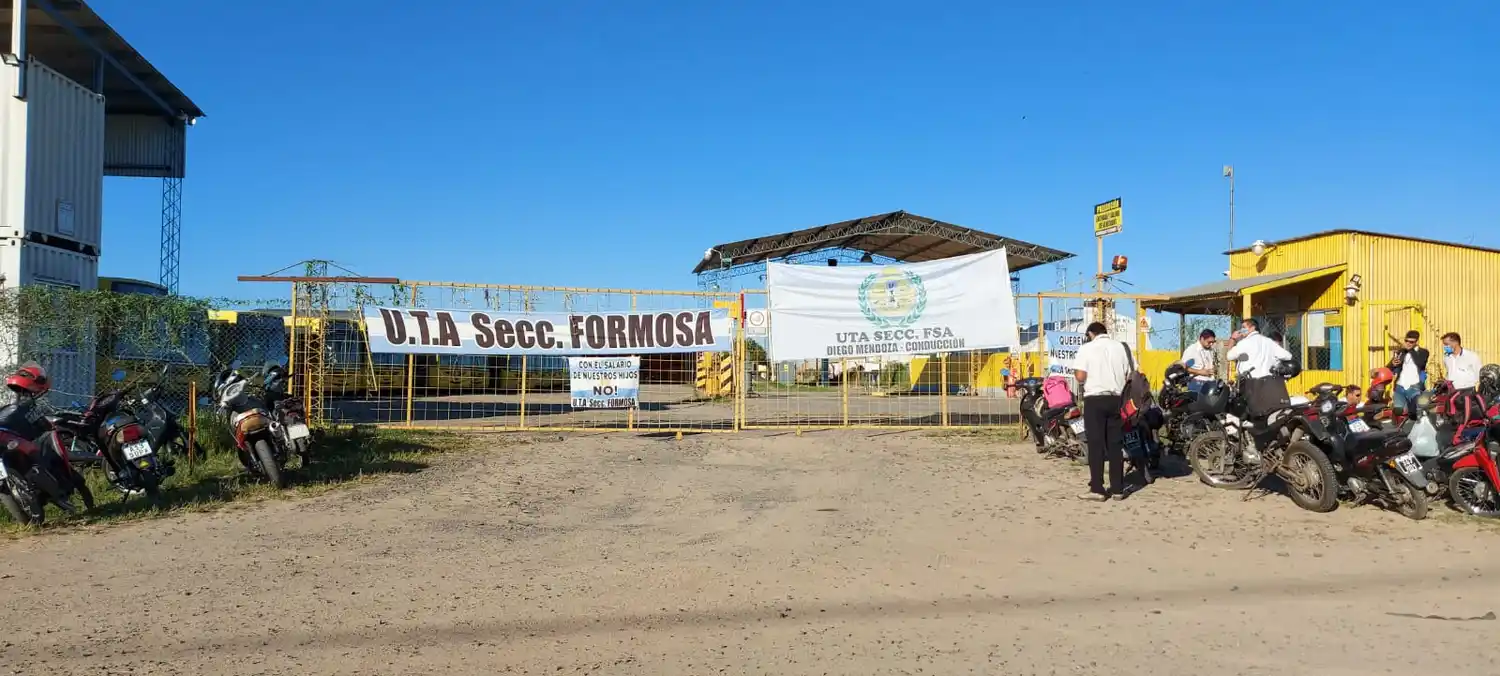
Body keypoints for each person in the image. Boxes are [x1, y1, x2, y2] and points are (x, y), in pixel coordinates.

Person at [1072, 321, 1134, 502]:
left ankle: (1097, 488)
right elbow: (1129, 374)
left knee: (1096, 445)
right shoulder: (1121, 348)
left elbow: (1081, 377)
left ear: (1091, 334)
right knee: (1115, 445)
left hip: (1094, 399)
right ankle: (1117, 489)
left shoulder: (1086, 348)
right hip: (1117, 399)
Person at [1224, 318, 1295, 418]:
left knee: (1240, 413)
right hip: (1270, 385)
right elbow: (1288, 356)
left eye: (1244, 328)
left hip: (1250, 385)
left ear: (1252, 328)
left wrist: (1233, 338)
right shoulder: (1269, 342)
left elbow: (1229, 356)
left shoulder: (1244, 343)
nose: (1241, 330)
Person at [1389, 330, 1429, 413]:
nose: (1408, 343)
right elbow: (1389, 368)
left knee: (1415, 411)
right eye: (1406, 341)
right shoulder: (1401, 352)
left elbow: (1420, 363)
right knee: (1398, 412)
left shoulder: (1423, 352)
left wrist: (1410, 350)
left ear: (1417, 342)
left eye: (1411, 342)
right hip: (1400, 386)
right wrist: (1393, 364)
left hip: (1415, 387)